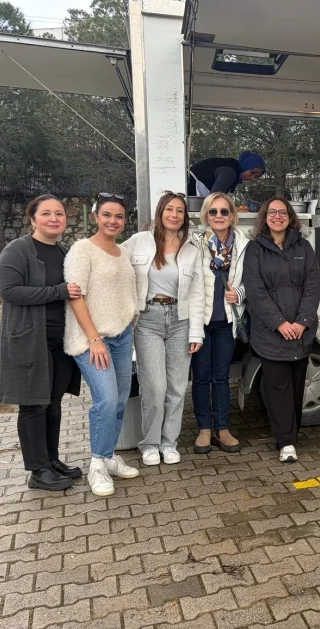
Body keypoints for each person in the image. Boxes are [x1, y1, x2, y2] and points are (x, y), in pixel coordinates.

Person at [0, 195, 83, 491]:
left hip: (58, 340)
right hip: (30, 339)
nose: (54, 218)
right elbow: (9, 291)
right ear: (32, 219)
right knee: (33, 405)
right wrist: (57, 291)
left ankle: (52, 460)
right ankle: (37, 470)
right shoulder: (18, 250)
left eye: (59, 213)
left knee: (53, 402)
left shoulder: (62, 251)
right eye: (46, 213)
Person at [64, 193, 140, 496]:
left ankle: (108, 456)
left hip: (122, 337)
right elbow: (75, 295)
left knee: (120, 400)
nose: (113, 221)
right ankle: (96, 463)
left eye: (119, 216)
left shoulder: (122, 251)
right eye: (107, 215)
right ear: (96, 216)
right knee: (106, 401)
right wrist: (94, 339)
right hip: (92, 340)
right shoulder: (82, 250)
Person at [123, 192, 205, 466]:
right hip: (148, 320)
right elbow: (113, 262)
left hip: (180, 321)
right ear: (160, 213)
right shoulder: (139, 242)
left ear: (184, 217)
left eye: (179, 211)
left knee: (178, 388)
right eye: (169, 209)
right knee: (154, 387)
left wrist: (196, 332)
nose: (174, 214)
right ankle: (149, 443)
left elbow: (197, 293)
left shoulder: (192, 248)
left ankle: (169, 443)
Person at [244, 197, 320, 463]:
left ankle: (292, 435)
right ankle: (285, 442)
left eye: (283, 212)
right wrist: (280, 323)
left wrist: (302, 322)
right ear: (264, 217)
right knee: (277, 388)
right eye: (272, 212)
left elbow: (313, 287)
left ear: (290, 217)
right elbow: (255, 291)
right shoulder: (255, 250)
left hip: (301, 331)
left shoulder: (304, 247)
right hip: (271, 333)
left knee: (298, 386)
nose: (277, 216)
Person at [191, 192, 250, 454]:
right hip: (200, 322)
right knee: (201, 378)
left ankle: (222, 429)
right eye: (213, 212)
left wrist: (239, 294)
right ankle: (204, 430)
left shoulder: (244, 244)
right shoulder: (194, 243)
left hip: (227, 322)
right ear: (206, 215)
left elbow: (252, 280)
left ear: (232, 215)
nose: (218, 216)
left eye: (224, 211)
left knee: (221, 377)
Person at [187, 152, 266, 197]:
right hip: (189, 188)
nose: (252, 178)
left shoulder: (236, 175)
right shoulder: (229, 172)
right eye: (252, 172)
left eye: (256, 176)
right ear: (245, 165)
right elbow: (214, 198)